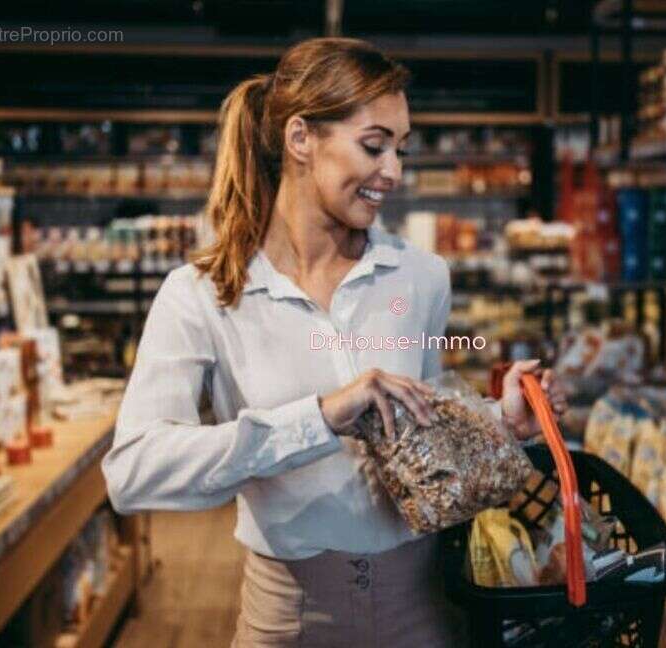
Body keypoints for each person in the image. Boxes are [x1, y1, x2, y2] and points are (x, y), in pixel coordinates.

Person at [101, 37, 568, 648]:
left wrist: (500, 424)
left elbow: (425, 440)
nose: (394, 171)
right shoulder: (203, 294)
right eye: (374, 146)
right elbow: (133, 472)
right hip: (288, 617)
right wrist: (319, 419)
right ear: (301, 138)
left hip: (424, 609)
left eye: (401, 149)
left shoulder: (420, 277)